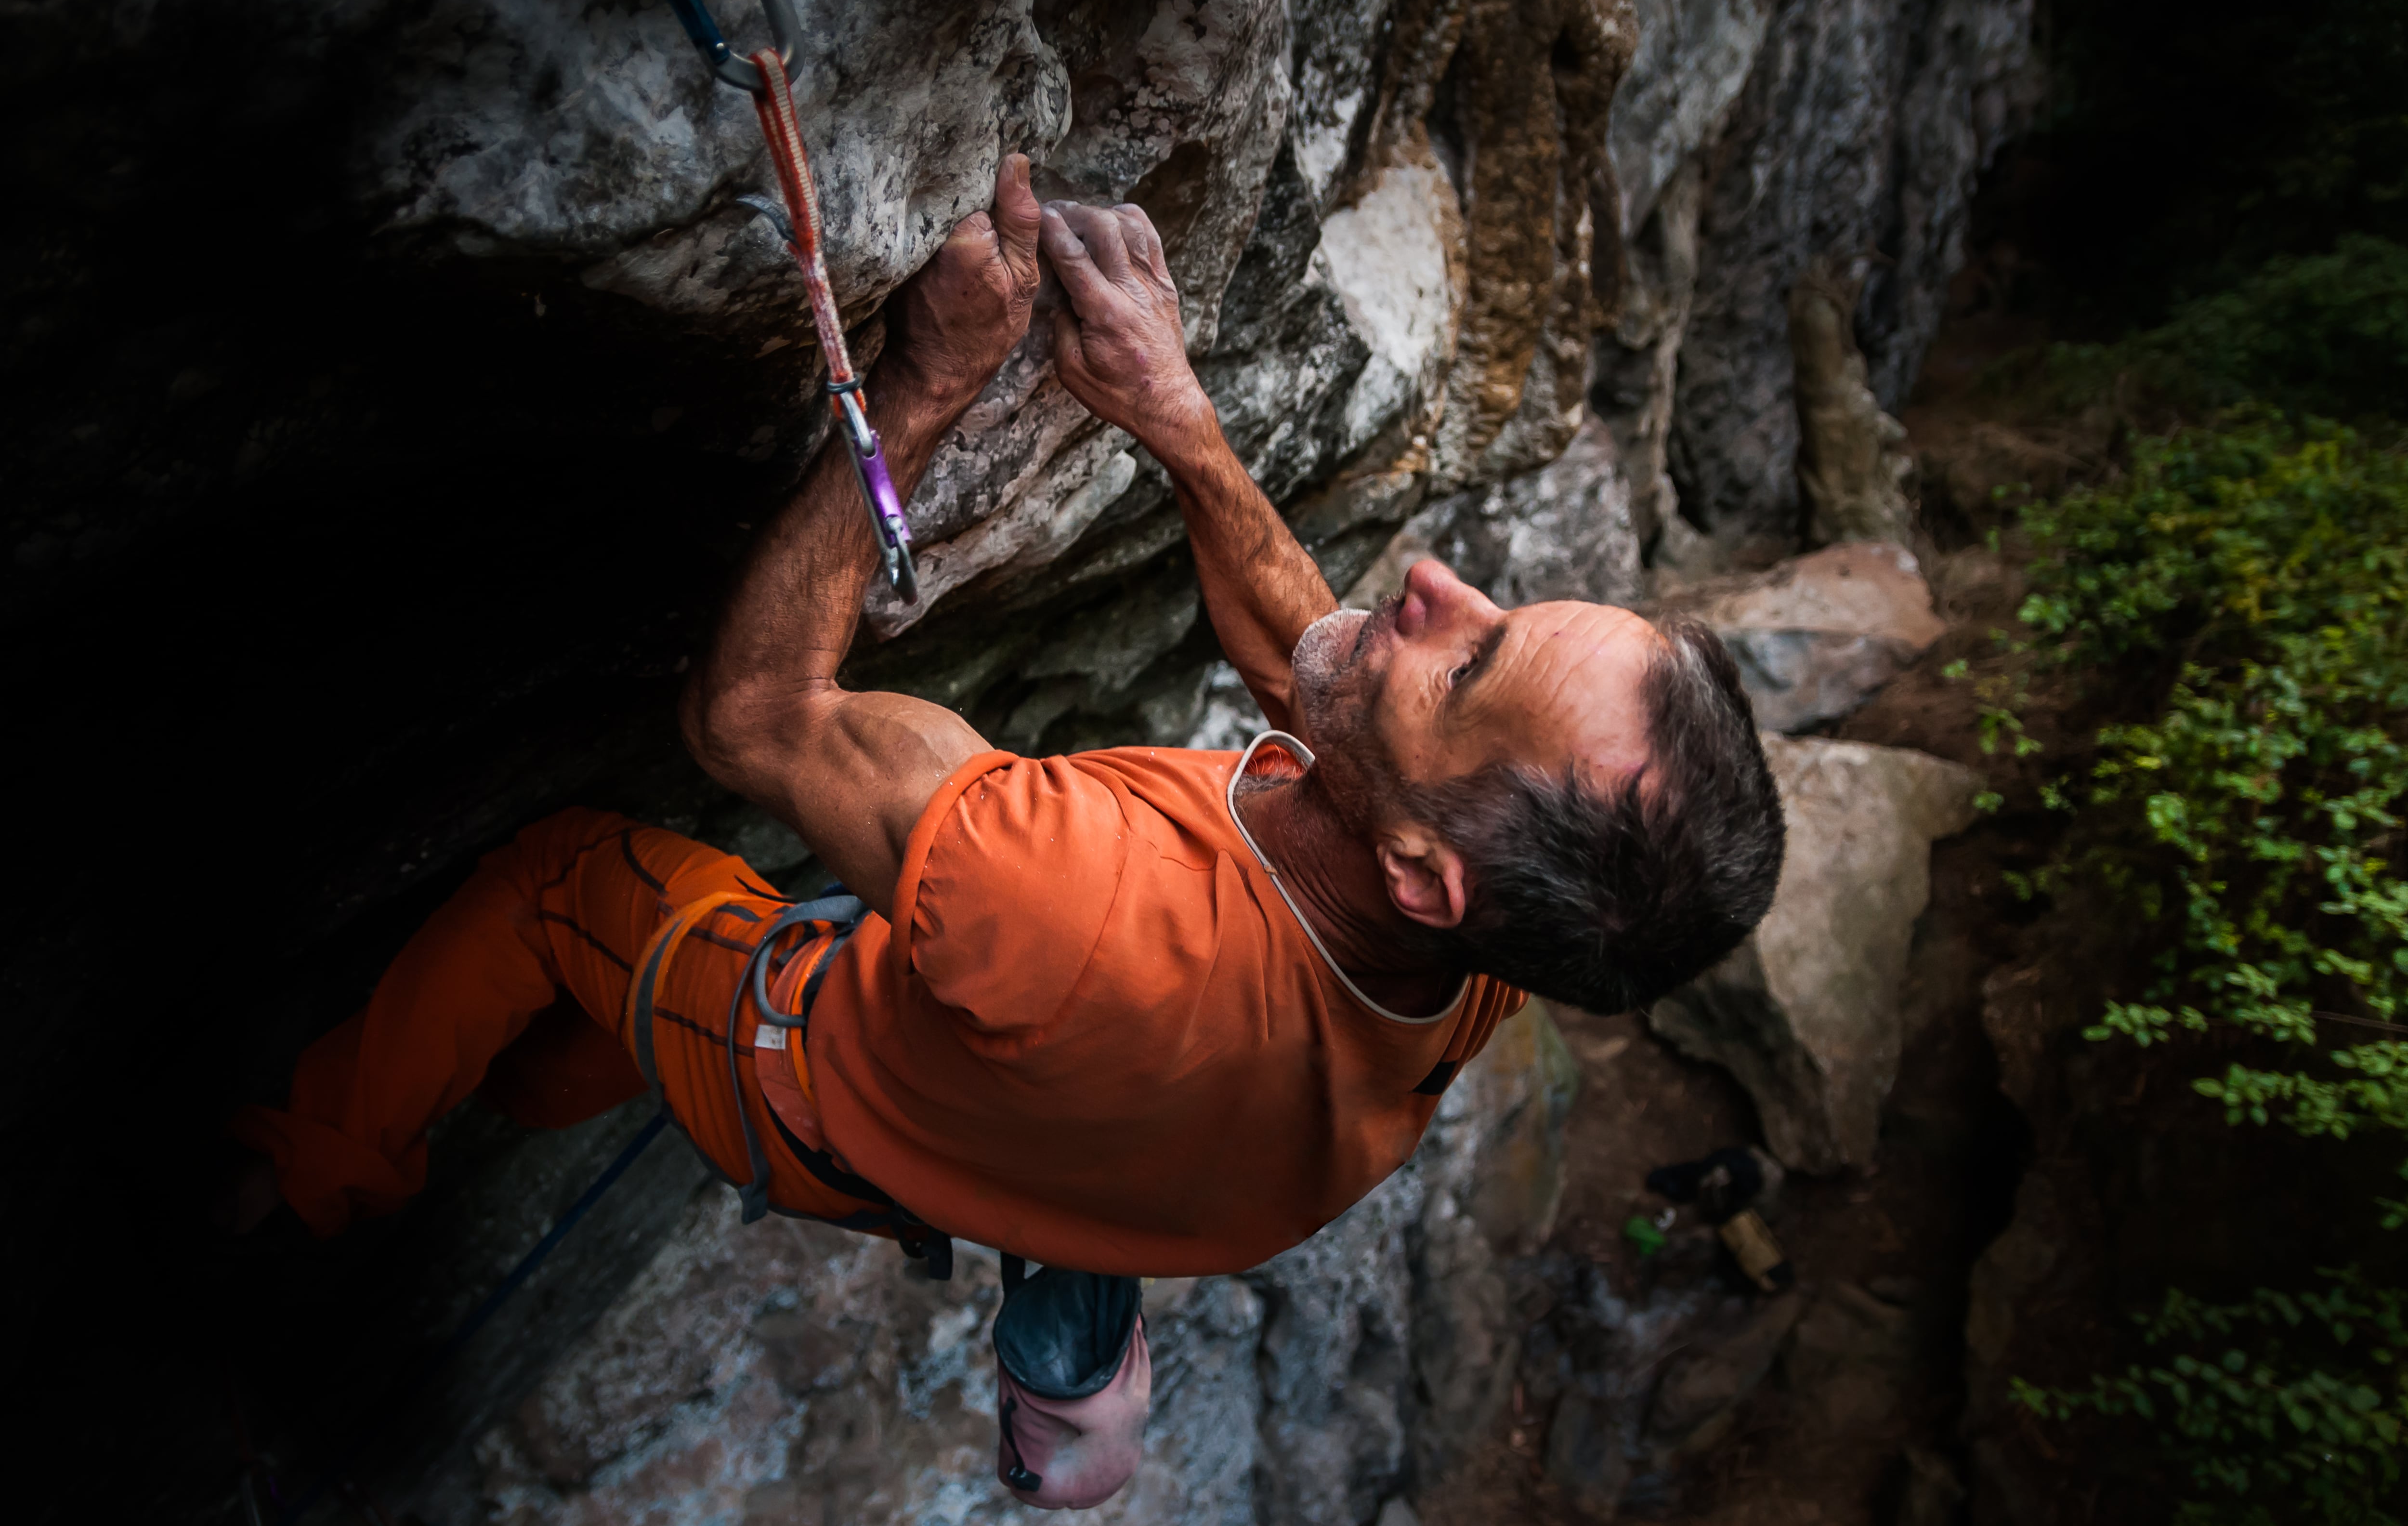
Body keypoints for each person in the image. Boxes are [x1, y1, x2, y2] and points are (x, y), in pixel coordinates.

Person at [225, 153, 1784, 1285]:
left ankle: (314, 1177)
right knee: (567, 1045)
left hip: (803, 1078)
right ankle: (532, 1073)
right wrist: (1176, 417)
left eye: (1469, 660)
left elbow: (751, 716)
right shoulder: (1505, 930)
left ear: (1425, 873)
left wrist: (925, 380)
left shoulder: (1071, 894)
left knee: (561, 879)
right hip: (1017, 1139)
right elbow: (1336, 694)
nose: (1437, 584)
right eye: (1504, 609)